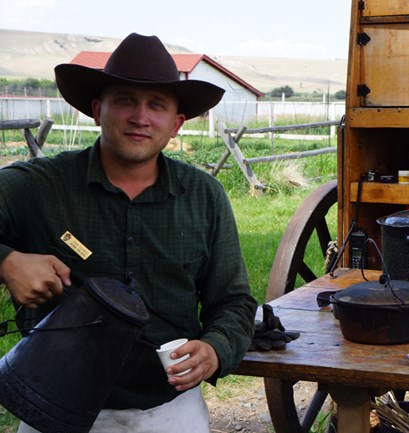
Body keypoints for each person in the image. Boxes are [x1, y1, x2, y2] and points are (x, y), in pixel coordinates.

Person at [0, 33, 258, 432]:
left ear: (176, 124)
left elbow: (235, 301)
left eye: (157, 105)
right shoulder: (39, 187)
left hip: (169, 412)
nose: (140, 117)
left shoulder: (205, 197)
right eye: (125, 100)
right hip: (50, 406)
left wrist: (214, 349)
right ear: (97, 109)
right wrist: (8, 262)